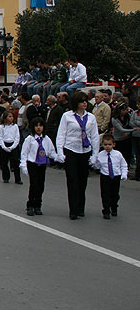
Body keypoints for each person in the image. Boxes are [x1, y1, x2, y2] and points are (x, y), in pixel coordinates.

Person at [55, 91, 100, 220]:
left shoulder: (91, 117)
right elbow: (61, 134)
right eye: (82, 101)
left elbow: (95, 137)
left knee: (82, 181)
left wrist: (95, 155)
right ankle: (73, 209)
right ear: (76, 103)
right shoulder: (67, 116)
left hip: (85, 151)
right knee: (72, 180)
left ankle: (81, 207)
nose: (85, 103)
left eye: (86, 101)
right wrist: (60, 152)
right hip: (71, 150)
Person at [20, 117, 58, 216]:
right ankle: (30, 205)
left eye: (40, 126)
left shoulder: (46, 139)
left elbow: (51, 152)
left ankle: (38, 205)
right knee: (34, 185)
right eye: (36, 126)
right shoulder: (30, 139)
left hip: (42, 164)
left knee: (41, 185)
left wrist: (58, 157)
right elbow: (24, 153)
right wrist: (23, 165)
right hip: (32, 163)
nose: (38, 128)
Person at [92, 134, 127, 219]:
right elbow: (97, 167)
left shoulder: (118, 154)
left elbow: (123, 164)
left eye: (109, 144)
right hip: (105, 176)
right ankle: (106, 210)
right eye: (105, 144)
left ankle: (114, 206)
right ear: (102, 145)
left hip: (115, 176)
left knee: (114, 194)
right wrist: (95, 163)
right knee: (105, 194)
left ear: (113, 144)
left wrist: (124, 174)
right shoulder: (100, 155)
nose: (107, 146)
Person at [0, 111, 22, 184]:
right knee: (4, 162)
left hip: (13, 145)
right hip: (4, 144)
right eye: (9, 116)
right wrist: (4, 147)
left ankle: (18, 179)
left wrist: (13, 146)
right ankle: (6, 177)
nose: (11, 118)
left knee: (15, 162)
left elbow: (17, 137)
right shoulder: (1, 127)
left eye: (12, 116)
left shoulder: (15, 126)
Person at [110, 102, 137, 167]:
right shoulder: (114, 119)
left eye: (126, 110)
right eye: (123, 110)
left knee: (127, 154)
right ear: (119, 110)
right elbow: (121, 129)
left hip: (126, 138)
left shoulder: (128, 116)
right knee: (119, 155)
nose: (125, 112)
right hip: (118, 139)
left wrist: (129, 131)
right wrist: (133, 130)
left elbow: (131, 124)